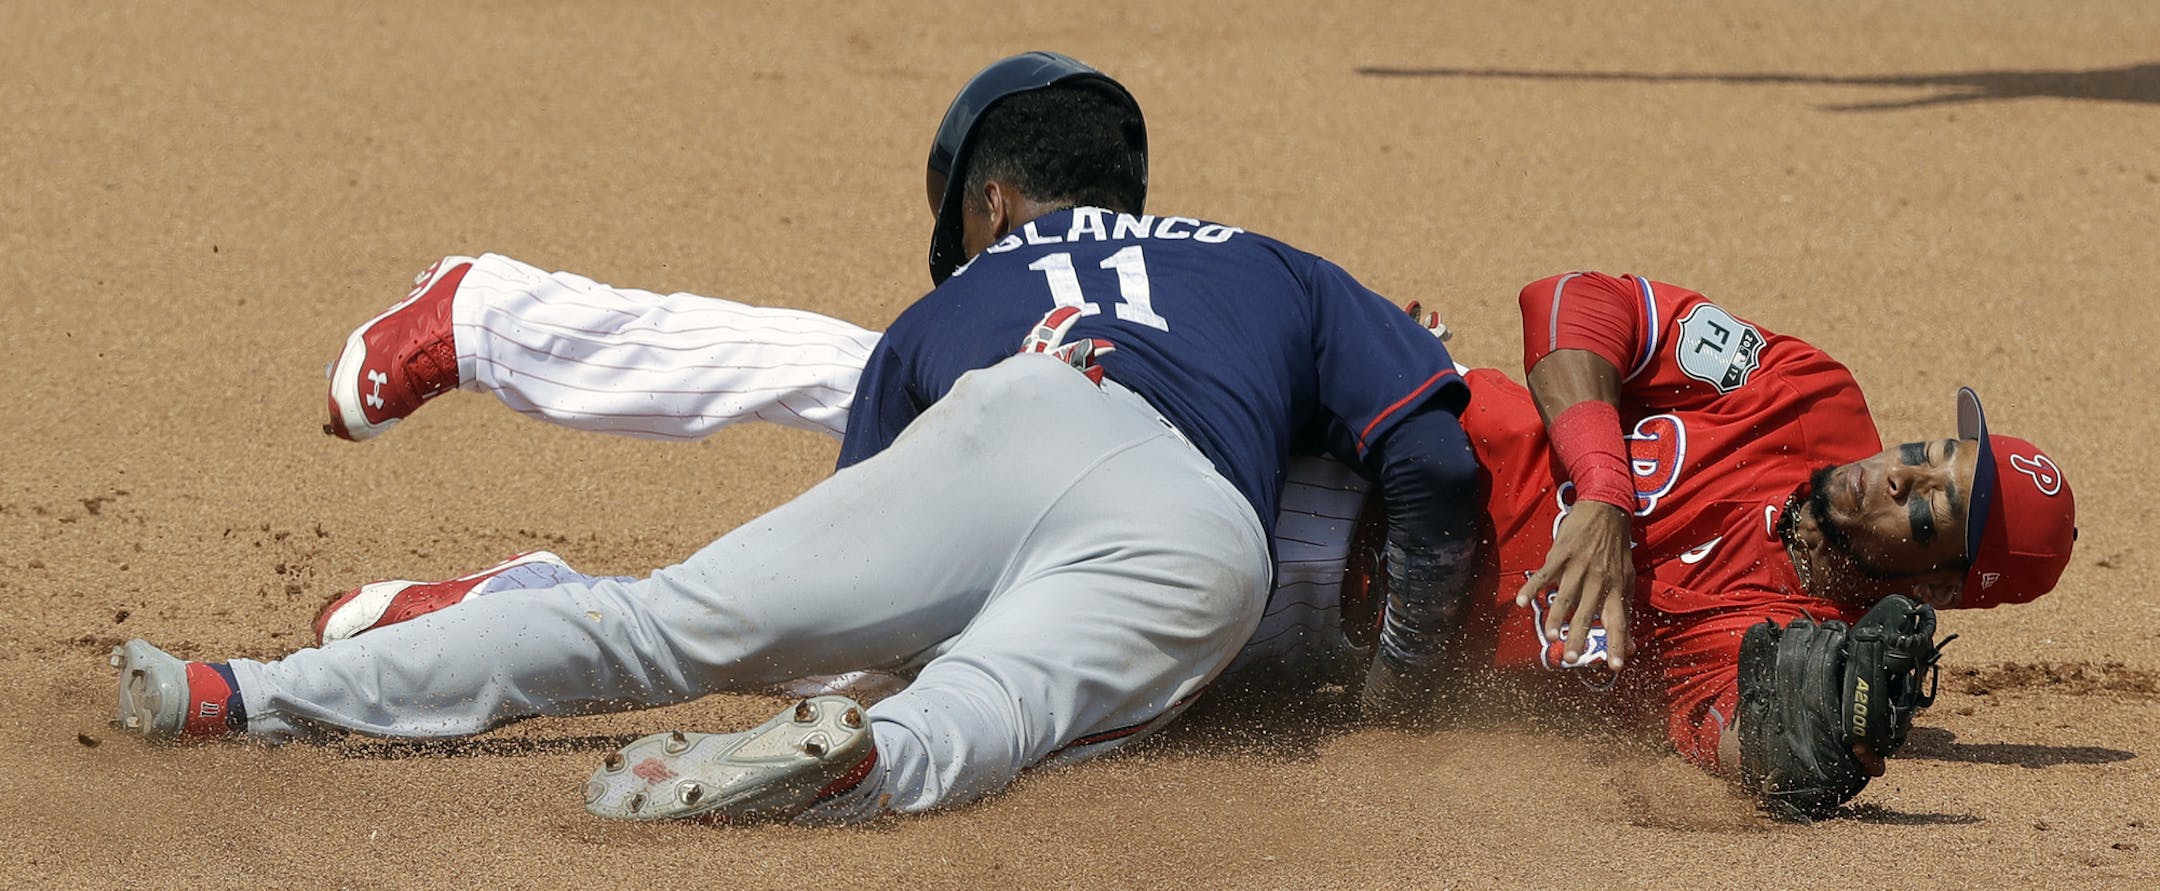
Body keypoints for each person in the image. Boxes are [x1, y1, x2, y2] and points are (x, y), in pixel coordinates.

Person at [109, 52, 1486, 824]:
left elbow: (876, 567)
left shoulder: (950, 307)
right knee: (980, 714)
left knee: (652, 631)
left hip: (999, 418)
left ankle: (239, 693)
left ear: (995, 203)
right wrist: (1404, 685)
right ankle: (857, 761)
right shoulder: (1274, 267)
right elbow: (1433, 460)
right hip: (1205, 526)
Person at [305, 248, 2080, 815]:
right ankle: (502, 314)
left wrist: (1806, 735)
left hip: (1294, 635)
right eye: (1929, 453)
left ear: (1935, 579)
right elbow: (1584, 303)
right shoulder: (1806, 401)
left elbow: (1733, 737)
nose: (1894, 471)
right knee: (902, 374)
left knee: (956, 663)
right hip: (1355, 458)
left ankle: (500, 613)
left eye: (1928, 503)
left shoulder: (1756, 627)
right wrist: (1607, 495)